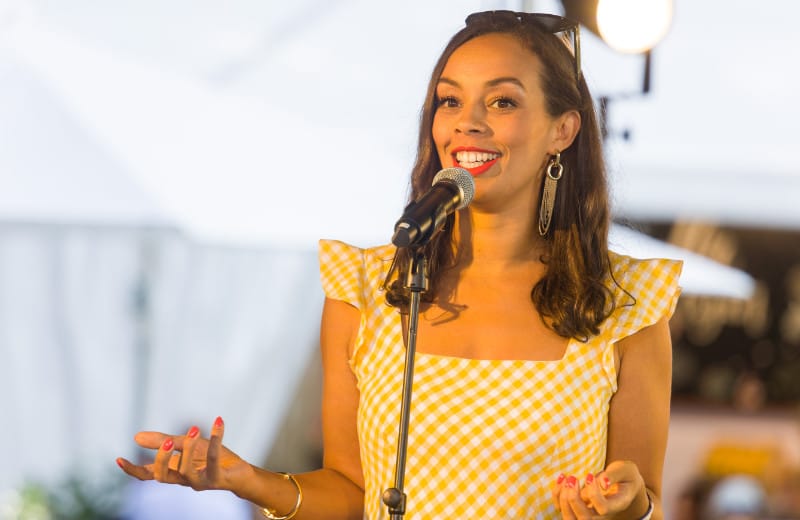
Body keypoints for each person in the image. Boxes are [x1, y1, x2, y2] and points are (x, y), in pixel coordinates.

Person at [116, 10, 681, 519]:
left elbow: (647, 500)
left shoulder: (625, 303)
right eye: (449, 101)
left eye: (502, 102)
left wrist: (628, 508)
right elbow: (350, 490)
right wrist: (247, 481)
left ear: (563, 129)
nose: (467, 122)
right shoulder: (366, 288)